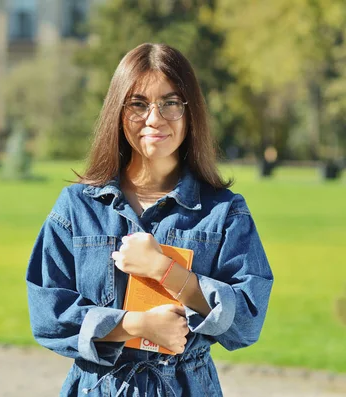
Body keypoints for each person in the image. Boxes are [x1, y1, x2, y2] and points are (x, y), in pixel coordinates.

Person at [25, 43, 273, 396]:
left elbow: (248, 320)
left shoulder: (224, 213)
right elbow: (48, 316)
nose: (154, 119)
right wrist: (136, 325)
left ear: (190, 112)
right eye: (138, 104)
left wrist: (165, 271)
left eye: (170, 103)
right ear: (118, 111)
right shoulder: (76, 208)